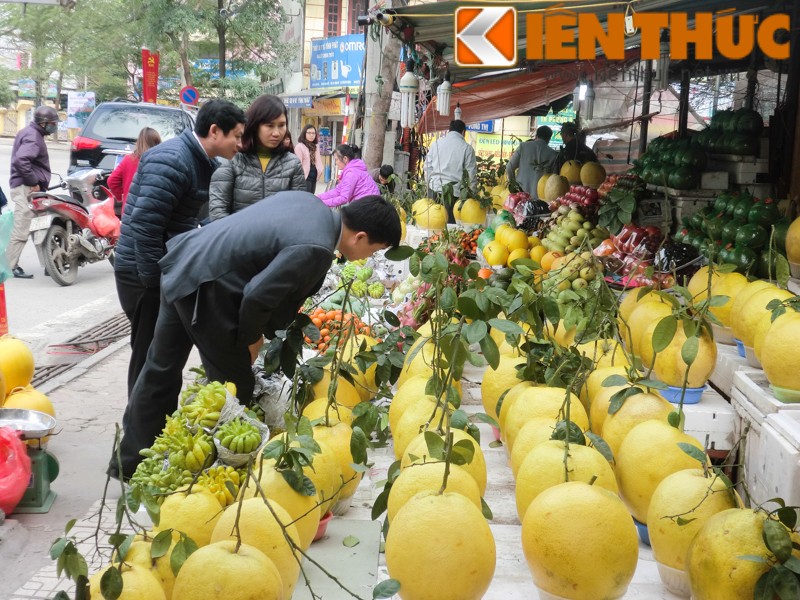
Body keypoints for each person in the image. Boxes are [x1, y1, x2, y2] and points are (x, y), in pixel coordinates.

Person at [111, 192, 401, 479]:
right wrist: (252, 338)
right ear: (360, 237)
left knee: (160, 368)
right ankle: (210, 473)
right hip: (210, 290)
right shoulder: (317, 247)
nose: (369, 257)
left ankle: (129, 463)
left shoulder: (312, 205)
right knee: (235, 387)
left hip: (188, 261)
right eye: (374, 251)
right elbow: (256, 296)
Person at [114, 99, 246, 398]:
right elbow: (146, 228)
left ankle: (153, 425)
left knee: (162, 358)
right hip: (141, 272)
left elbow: (186, 219)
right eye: (236, 136)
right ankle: (136, 433)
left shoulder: (199, 162)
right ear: (215, 131)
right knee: (150, 358)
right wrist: (154, 284)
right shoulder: (173, 160)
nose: (240, 144)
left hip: (159, 267)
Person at [209, 95, 305, 221]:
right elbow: (218, 211)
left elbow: (299, 210)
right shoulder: (232, 161)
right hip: (239, 238)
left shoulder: (293, 163)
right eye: (269, 125)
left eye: (281, 125)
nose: (277, 133)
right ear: (255, 125)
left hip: (279, 239)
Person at [6, 106, 59, 279]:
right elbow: (21, 161)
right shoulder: (33, 137)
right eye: (52, 123)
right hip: (26, 188)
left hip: (29, 187)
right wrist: (33, 182)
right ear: (43, 123)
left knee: (40, 226)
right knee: (22, 226)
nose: (54, 126)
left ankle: (49, 265)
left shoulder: (30, 132)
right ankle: (9, 266)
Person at [424, 119, 477, 223]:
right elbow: (471, 175)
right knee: (450, 227)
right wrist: (471, 196)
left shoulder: (436, 144)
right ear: (463, 132)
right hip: (454, 196)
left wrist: (429, 185)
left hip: (434, 191)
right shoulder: (467, 148)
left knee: (432, 224)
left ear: (449, 130)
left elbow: (427, 167)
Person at [106, 127, 162, 214]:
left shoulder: (128, 159)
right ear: (158, 143)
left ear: (138, 142)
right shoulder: (160, 162)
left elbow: (112, 180)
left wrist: (122, 196)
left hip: (129, 210)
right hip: (151, 211)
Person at [506, 126, 558, 199]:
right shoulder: (554, 154)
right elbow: (554, 179)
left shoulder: (523, 147)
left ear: (536, 136)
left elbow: (509, 167)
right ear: (549, 139)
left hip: (520, 196)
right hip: (541, 199)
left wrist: (513, 187)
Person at [294, 124, 324, 193]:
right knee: (305, 199)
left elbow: (318, 160)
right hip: (305, 177)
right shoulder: (299, 147)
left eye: (313, 133)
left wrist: (320, 169)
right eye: (309, 133)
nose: (311, 135)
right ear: (304, 133)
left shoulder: (316, 146)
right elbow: (298, 165)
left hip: (314, 176)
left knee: (311, 197)